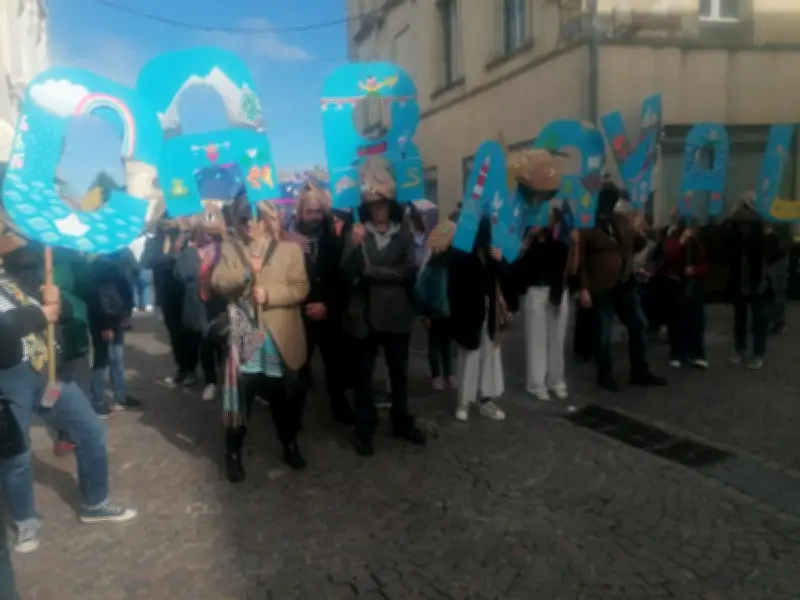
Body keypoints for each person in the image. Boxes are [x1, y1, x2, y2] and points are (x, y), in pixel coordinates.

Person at [0, 230, 137, 554]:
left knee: (91, 432)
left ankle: (95, 502)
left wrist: (57, 301)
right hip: (8, 378)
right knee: (15, 455)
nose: (21, 246)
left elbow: (66, 315)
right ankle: (24, 519)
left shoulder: (26, 274)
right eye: (11, 238)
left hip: (49, 372)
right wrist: (36, 314)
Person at [212, 195, 310, 482]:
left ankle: (289, 443)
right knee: (239, 400)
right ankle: (233, 452)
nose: (247, 225)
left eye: (252, 218)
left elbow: (301, 288)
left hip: (278, 336)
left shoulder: (290, 250)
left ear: (265, 220)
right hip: (245, 335)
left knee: (282, 399)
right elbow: (219, 282)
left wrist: (269, 296)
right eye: (241, 219)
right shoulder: (231, 248)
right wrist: (245, 272)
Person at [340, 157, 426, 457]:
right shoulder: (356, 233)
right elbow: (347, 274)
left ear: (391, 205)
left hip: (396, 316)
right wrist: (353, 247)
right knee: (363, 377)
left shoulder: (402, 233)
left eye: (383, 205)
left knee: (399, 374)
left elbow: (409, 271)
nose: (379, 211)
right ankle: (365, 428)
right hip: (364, 318)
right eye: (374, 206)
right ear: (366, 207)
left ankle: (401, 421)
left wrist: (373, 274)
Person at [580, 182, 667, 391]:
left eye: (613, 197)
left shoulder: (621, 220)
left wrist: (639, 231)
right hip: (602, 284)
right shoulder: (586, 224)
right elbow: (581, 258)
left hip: (625, 282)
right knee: (604, 332)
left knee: (639, 325)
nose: (611, 201)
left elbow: (635, 246)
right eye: (607, 197)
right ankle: (605, 374)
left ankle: (639, 370)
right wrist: (583, 287)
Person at [283, 182, 354, 424]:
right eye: (308, 211)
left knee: (335, 363)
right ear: (300, 212)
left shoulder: (334, 234)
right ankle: (294, 417)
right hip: (299, 311)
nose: (313, 217)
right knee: (299, 366)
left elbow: (340, 276)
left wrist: (327, 306)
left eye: (317, 211)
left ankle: (339, 406)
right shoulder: (287, 238)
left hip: (328, 309)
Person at [514, 203, 580, 401]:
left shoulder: (560, 244)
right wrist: (529, 237)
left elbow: (570, 271)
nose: (546, 221)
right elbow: (514, 261)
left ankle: (556, 380)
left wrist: (576, 245)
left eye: (550, 218)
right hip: (535, 291)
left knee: (557, 338)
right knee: (536, 338)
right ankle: (536, 383)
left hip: (557, 293)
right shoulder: (527, 243)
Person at [724, 195, 787, 369]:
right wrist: (729, 220)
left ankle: (758, 353)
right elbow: (724, 250)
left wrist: (769, 233)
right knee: (740, 318)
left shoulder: (762, 228)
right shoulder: (734, 228)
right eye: (743, 205)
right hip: (740, 280)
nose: (746, 209)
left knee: (759, 318)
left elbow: (775, 254)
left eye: (749, 205)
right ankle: (740, 349)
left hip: (758, 280)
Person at [173, 205, 228, 402]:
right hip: (200, 304)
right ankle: (211, 382)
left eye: (212, 227)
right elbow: (180, 275)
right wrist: (190, 253)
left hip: (221, 302)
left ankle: (226, 379)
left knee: (225, 344)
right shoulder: (191, 250)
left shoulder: (227, 246)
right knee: (205, 345)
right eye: (204, 228)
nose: (208, 233)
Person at [142, 216, 199, 386]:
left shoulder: (183, 238)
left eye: (170, 220)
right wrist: (171, 258)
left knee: (187, 332)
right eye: (164, 221)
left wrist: (165, 260)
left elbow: (187, 260)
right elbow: (145, 262)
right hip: (165, 293)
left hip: (183, 292)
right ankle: (181, 368)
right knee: (174, 334)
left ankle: (191, 369)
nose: (167, 224)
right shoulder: (153, 242)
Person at [86, 247, 142, 417]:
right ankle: (97, 400)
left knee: (117, 358)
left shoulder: (121, 256)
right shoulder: (100, 263)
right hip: (104, 319)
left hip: (115, 317)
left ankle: (119, 396)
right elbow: (101, 297)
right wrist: (105, 325)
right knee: (101, 360)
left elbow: (125, 289)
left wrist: (125, 314)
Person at [659, 215, 709, 369]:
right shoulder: (674, 240)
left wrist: (695, 270)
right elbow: (668, 256)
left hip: (693, 284)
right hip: (676, 282)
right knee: (677, 319)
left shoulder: (699, 244)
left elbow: (705, 264)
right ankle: (677, 352)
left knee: (696, 320)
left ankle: (696, 353)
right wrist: (681, 242)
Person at [129, 232, 153, 312]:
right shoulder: (130, 240)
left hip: (144, 264)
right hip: (132, 264)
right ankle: (136, 305)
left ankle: (145, 304)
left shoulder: (147, 238)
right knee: (135, 285)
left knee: (144, 284)